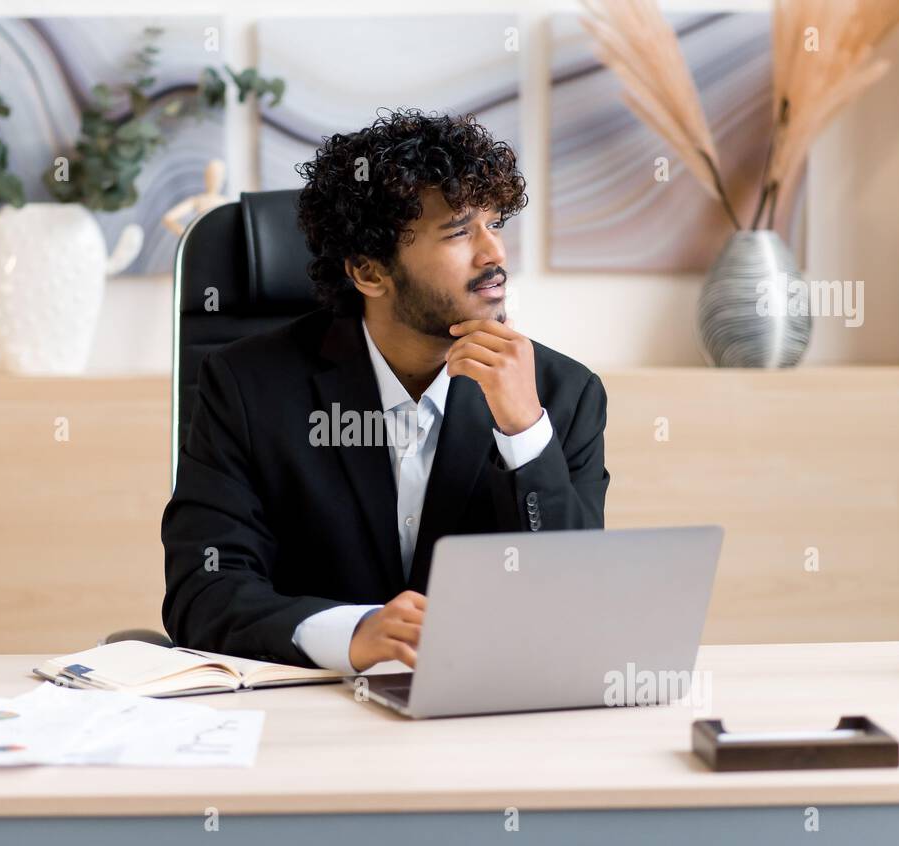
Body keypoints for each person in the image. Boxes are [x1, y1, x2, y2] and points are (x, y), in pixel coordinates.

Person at [162, 107, 609, 674]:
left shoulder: (563, 396)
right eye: (457, 231)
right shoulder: (247, 387)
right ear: (370, 273)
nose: (493, 253)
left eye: (494, 224)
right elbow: (202, 592)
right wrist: (352, 635)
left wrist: (524, 435)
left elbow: (577, 607)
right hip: (307, 718)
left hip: (489, 719)